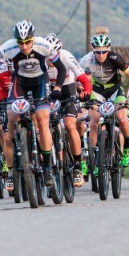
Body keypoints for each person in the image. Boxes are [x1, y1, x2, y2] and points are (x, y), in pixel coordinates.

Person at [0, 20, 66, 192]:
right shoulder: (7, 48)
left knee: (41, 119)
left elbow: (61, 68)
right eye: (21, 42)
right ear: (15, 41)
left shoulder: (43, 45)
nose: (24, 46)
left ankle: (47, 168)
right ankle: (16, 151)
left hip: (41, 82)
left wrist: (57, 88)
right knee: (11, 116)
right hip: (20, 83)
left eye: (27, 42)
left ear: (33, 39)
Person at [79, 33, 129, 172]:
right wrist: (81, 94)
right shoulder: (86, 60)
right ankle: (96, 159)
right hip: (97, 91)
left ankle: (126, 147)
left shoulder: (116, 59)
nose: (101, 55)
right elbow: (78, 79)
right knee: (94, 121)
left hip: (115, 91)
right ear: (93, 50)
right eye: (97, 52)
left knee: (122, 118)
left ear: (108, 50)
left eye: (104, 52)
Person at [45, 33, 91, 187]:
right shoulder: (40, 59)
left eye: (54, 54)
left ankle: (78, 167)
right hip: (49, 91)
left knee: (70, 125)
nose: (50, 59)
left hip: (67, 90)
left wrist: (86, 92)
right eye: (48, 55)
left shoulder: (66, 57)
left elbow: (84, 79)